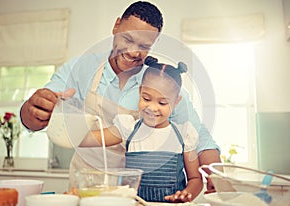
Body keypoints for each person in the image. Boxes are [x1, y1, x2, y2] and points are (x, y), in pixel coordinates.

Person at [19, 1, 220, 192]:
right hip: (86, 180)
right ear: (116, 26)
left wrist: (215, 173)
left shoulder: (159, 83)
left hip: (133, 187)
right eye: (128, 39)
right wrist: (34, 110)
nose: (133, 51)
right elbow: (37, 115)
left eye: (143, 47)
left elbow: (199, 136)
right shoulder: (81, 69)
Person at [80, 56, 203, 203]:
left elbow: (196, 179)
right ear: (140, 92)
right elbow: (90, 139)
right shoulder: (128, 128)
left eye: (162, 103)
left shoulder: (184, 134)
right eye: (146, 98)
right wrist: (65, 128)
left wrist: (186, 194)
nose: (152, 108)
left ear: (176, 102)